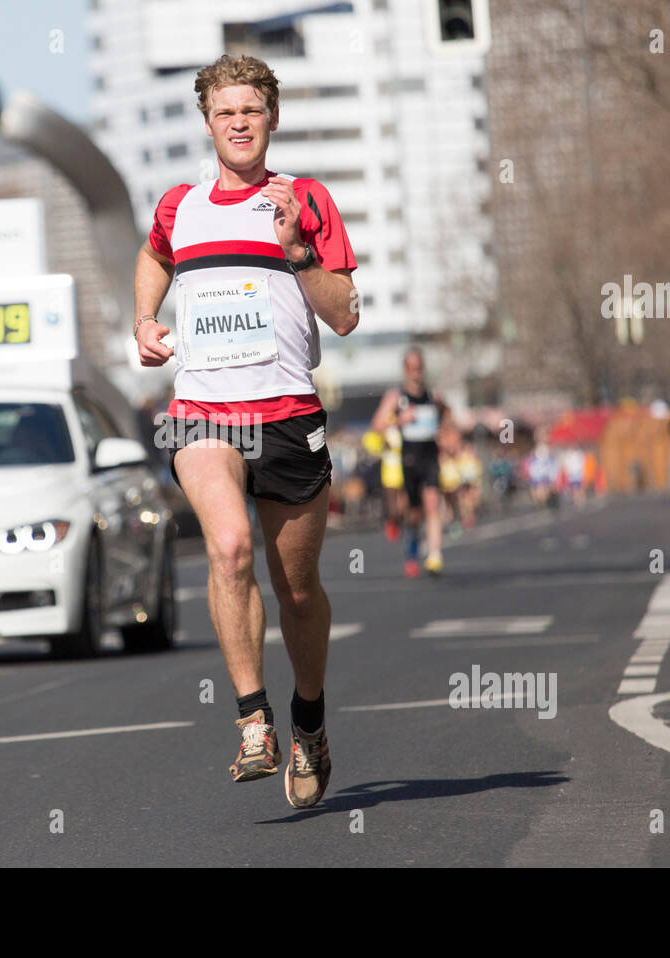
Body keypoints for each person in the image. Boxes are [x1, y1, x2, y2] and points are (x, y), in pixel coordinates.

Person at [134, 54, 358, 809]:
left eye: (252, 110)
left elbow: (346, 315)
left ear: (272, 120)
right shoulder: (180, 206)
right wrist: (143, 320)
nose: (238, 122)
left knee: (297, 592)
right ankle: (253, 720)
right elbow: (152, 255)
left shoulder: (309, 201)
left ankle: (310, 721)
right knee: (228, 548)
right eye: (225, 111)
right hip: (203, 412)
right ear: (207, 122)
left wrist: (297, 253)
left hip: (289, 414)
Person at [372, 347, 449, 577]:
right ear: (405, 370)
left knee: (433, 503)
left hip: (430, 455)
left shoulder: (432, 394)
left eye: (419, 368)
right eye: (411, 368)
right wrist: (400, 420)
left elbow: (447, 415)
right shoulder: (396, 396)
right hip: (408, 457)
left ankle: (434, 555)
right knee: (413, 511)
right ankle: (413, 544)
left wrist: (444, 428)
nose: (415, 373)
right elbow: (377, 425)